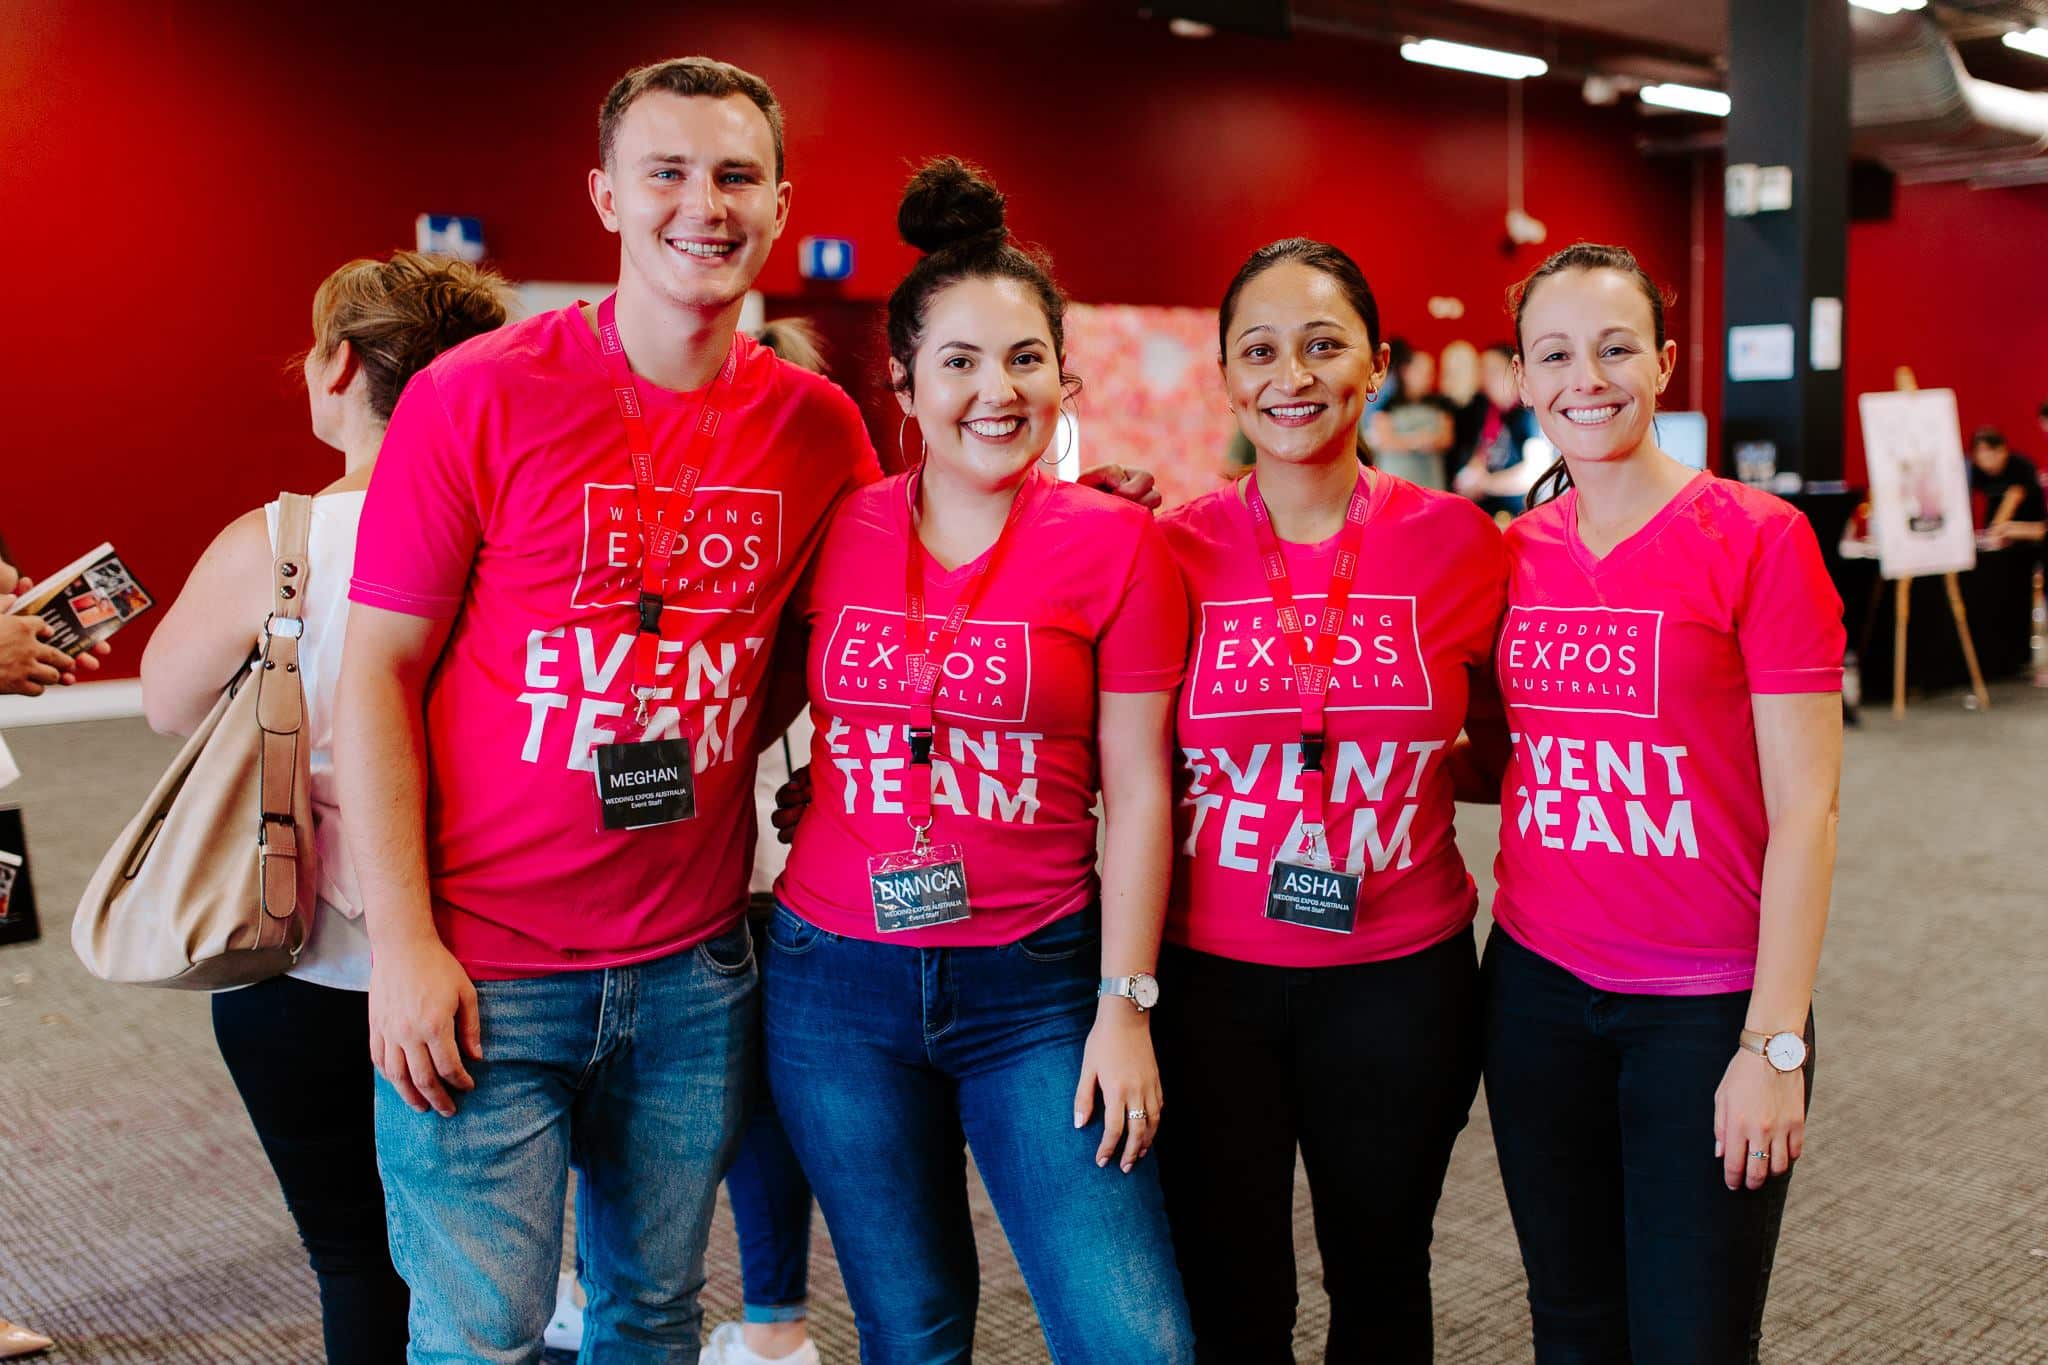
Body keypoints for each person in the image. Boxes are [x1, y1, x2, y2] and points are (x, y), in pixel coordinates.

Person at [334, 57, 887, 1360]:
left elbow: (869, 627)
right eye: (670, 171)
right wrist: (403, 947)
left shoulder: (819, 428)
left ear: (782, 203)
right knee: (484, 1330)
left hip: (691, 966)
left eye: (737, 174)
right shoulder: (477, 394)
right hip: (484, 963)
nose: (706, 202)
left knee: (649, 1314)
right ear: (605, 196)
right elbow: (378, 671)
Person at [760, 158, 1194, 1363]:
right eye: (956, 362)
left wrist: (1125, 1006)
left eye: (1022, 360)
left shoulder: (1116, 544)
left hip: (1039, 988)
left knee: (1131, 1340)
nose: (993, 391)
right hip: (832, 984)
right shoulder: (835, 527)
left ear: (1064, 376)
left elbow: (1143, 794)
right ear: (900, 382)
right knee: (911, 1333)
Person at [1477, 242, 1844, 1363]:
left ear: (1664, 362)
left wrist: (1771, 1043)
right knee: (1571, 1325)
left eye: (1614, 347)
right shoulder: (1511, 552)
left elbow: (1807, 814)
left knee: (1690, 1338)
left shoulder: (1756, 540)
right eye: (1555, 353)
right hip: (1536, 990)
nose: (1585, 377)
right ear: (1524, 378)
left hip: (1706, 1010)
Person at [139, 251, 509, 1364]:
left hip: (299, 953)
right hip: (485, 952)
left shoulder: (281, 542)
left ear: (338, 365)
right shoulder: (516, 533)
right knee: (487, 1255)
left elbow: (163, 703)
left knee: (355, 1258)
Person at [1150, 238, 1508, 1362]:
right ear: (1225, 376)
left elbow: (1511, 747)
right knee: (1229, 1290)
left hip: (1399, 982)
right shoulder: (1164, 553)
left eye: (1320, 345)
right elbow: (1101, 747)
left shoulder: (1459, 542)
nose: (1288, 376)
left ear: (1374, 365)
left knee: (1381, 1276)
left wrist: (1384, 784)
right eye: (1257, 351)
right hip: (1209, 982)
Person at [1451, 342, 1539, 517]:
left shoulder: (1530, 413)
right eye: (1482, 371)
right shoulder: (1486, 412)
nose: (1486, 377)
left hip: (1521, 513)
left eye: (1494, 370)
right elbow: (1481, 455)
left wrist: (1486, 483)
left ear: (1516, 371)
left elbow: (1534, 472)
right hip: (1489, 514)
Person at [1368, 339, 1455, 490]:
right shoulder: (1387, 402)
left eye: (1431, 372)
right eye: (1420, 371)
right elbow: (1384, 440)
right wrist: (1418, 441)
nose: (1427, 377)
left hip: (1430, 480)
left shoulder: (1440, 403)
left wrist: (1408, 441)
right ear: (1406, 372)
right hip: (1396, 481)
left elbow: (1446, 438)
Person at [1967, 427, 2046, 549]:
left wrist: (1996, 530)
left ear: (2002, 450)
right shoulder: (1976, 471)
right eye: (1979, 453)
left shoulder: (2020, 466)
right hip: (1998, 528)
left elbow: (2013, 498)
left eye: (1989, 453)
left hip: (2026, 525)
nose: (1984, 459)